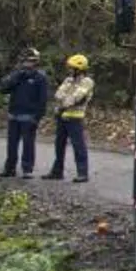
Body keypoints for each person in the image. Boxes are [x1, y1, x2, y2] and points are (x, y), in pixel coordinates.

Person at [0, 49, 49, 179]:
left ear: (35, 62)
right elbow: (2, 88)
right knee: (12, 144)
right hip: (14, 114)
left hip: (29, 116)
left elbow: (43, 99)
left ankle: (27, 169)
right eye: (25, 60)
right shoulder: (17, 75)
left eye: (29, 60)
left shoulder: (40, 77)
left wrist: (37, 117)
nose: (27, 63)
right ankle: (9, 168)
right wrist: (17, 76)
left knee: (28, 143)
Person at [42, 53, 95, 183]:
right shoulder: (68, 80)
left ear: (79, 69)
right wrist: (66, 100)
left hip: (75, 118)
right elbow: (58, 94)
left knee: (79, 146)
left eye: (72, 68)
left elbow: (77, 97)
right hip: (62, 116)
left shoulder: (87, 82)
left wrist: (66, 100)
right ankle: (57, 171)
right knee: (59, 145)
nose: (70, 70)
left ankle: (82, 173)